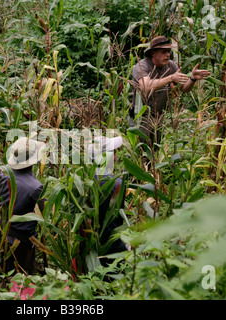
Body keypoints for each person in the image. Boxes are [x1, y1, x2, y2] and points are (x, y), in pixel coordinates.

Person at [129, 35, 211, 152]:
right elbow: (146, 87)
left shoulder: (171, 65)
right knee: (140, 153)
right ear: (153, 53)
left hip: (158, 118)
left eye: (169, 51)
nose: (168, 54)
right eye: (164, 51)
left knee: (155, 153)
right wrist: (171, 78)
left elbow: (185, 89)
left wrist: (192, 78)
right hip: (140, 117)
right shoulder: (142, 66)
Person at [0, 136, 47, 275]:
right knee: (23, 277)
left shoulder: (3, 174)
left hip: (4, 234)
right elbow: (47, 212)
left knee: (6, 273)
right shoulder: (35, 187)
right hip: (24, 241)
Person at [88, 135, 128, 263]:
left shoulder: (82, 181)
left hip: (88, 249)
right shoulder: (117, 184)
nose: (116, 157)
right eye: (114, 153)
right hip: (111, 247)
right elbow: (118, 220)